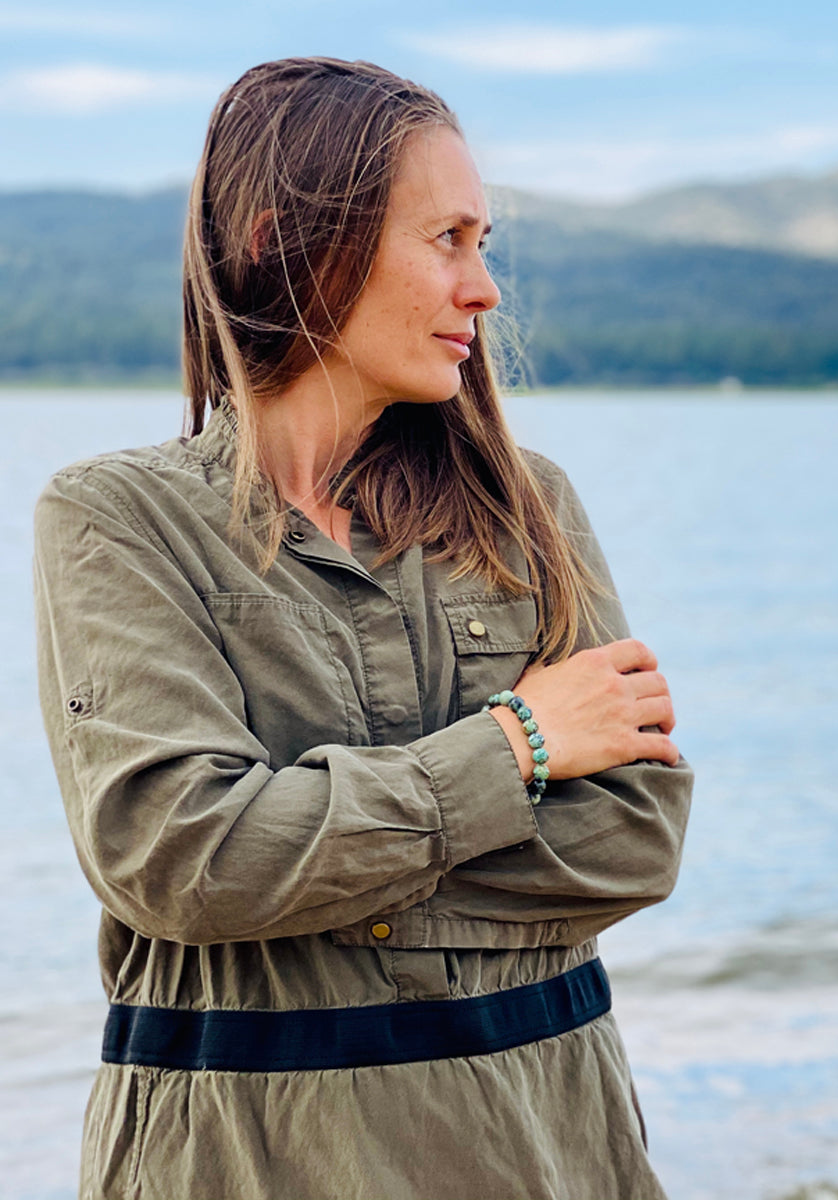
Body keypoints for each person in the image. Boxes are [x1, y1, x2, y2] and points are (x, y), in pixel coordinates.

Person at [34, 56, 692, 1200]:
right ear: (289, 239)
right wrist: (519, 751)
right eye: (448, 240)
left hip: (551, 1148)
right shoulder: (115, 518)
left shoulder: (528, 509)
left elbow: (635, 838)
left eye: (485, 244)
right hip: (250, 1162)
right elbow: (181, 857)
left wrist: (306, 872)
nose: (485, 290)